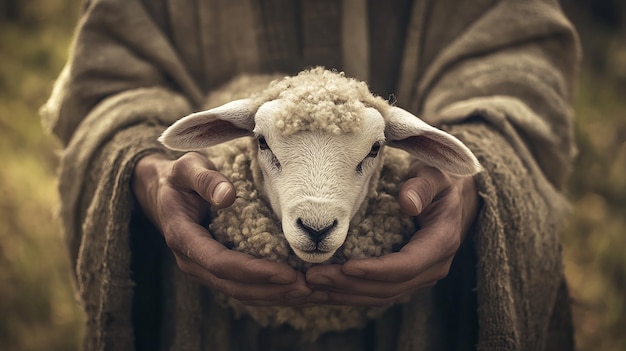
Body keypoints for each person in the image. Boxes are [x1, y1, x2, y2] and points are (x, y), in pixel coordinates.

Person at [41, 0, 580, 350]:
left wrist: (471, 179)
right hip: (205, 320)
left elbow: (519, 58)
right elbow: (108, 75)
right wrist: (146, 169)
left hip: (415, 324)